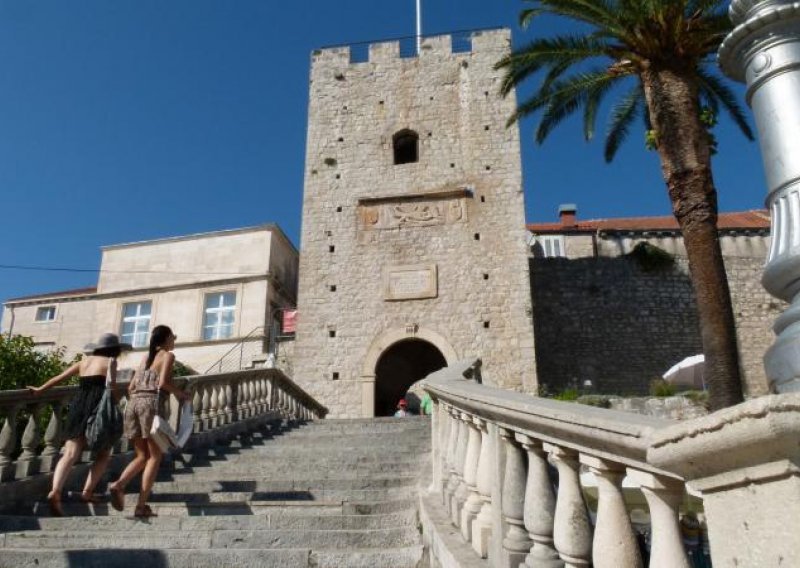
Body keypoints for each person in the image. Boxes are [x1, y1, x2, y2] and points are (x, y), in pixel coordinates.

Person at [27, 333, 131, 517]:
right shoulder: (111, 362)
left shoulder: (84, 361)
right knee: (104, 453)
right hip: (97, 408)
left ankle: (55, 491)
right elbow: (112, 386)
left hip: (78, 406)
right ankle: (87, 492)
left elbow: (59, 378)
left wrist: (40, 390)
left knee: (69, 454)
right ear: (115, 350)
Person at [107, 325, 189, 518]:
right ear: (167, 338)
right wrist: (181, 394)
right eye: (173, 337)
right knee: (155, 456)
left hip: (134, 405)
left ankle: (119, 484)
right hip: (151, 404)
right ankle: (140, 505)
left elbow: (131, 387)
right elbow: (162, 384)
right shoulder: (168, 356)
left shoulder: (145, 358)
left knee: (142, 455)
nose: (174, 341)